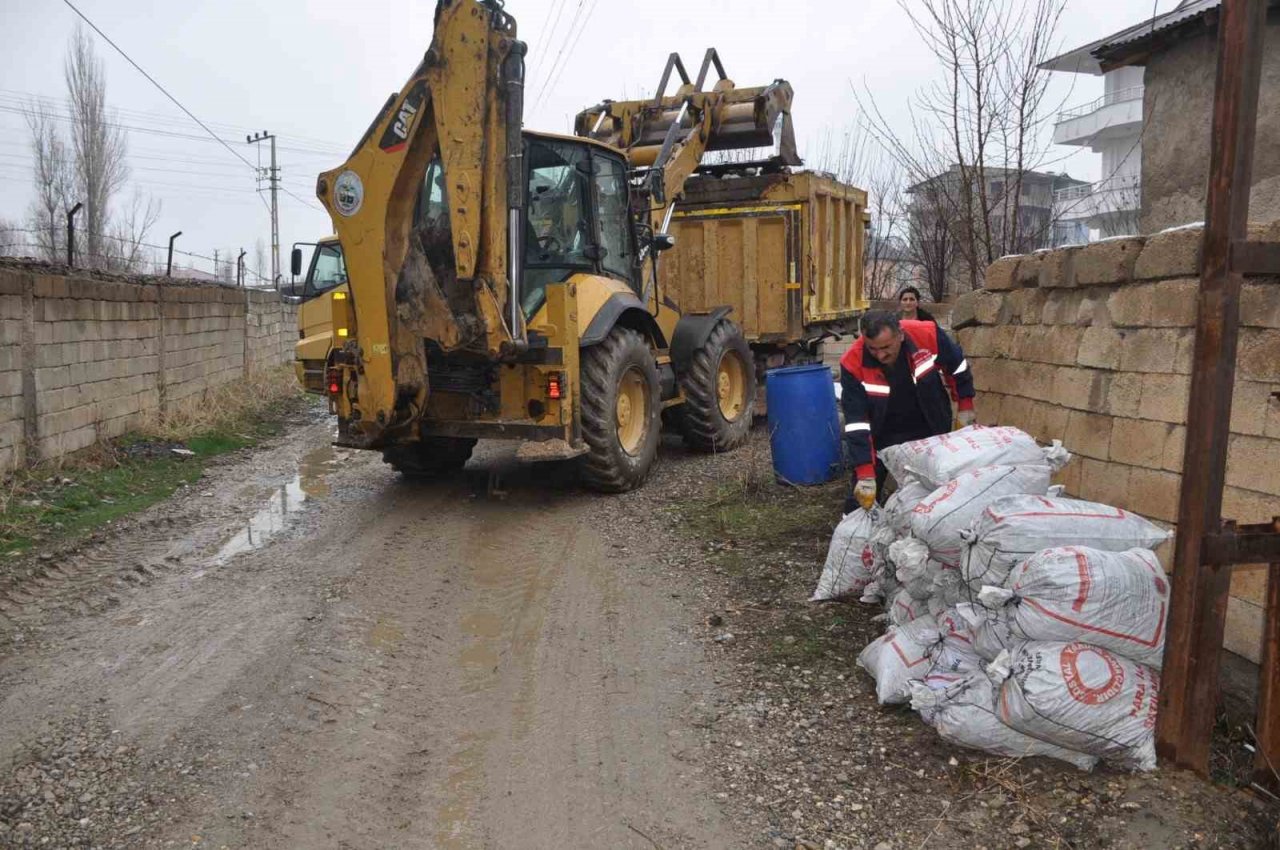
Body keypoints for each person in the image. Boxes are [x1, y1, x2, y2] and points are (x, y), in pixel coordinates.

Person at [840, 310, 976, 513]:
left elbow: (957, 366)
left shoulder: (927, 335)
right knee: (860, 500)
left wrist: (965, 407)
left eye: (886, 347)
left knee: (935, 489)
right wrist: (865, 472)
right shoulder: (853, 363)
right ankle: (854, 538)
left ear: (901, 335)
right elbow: (856, 421)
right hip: (881, 431)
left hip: (928, 422)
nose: (880, 355)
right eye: (872, 349)